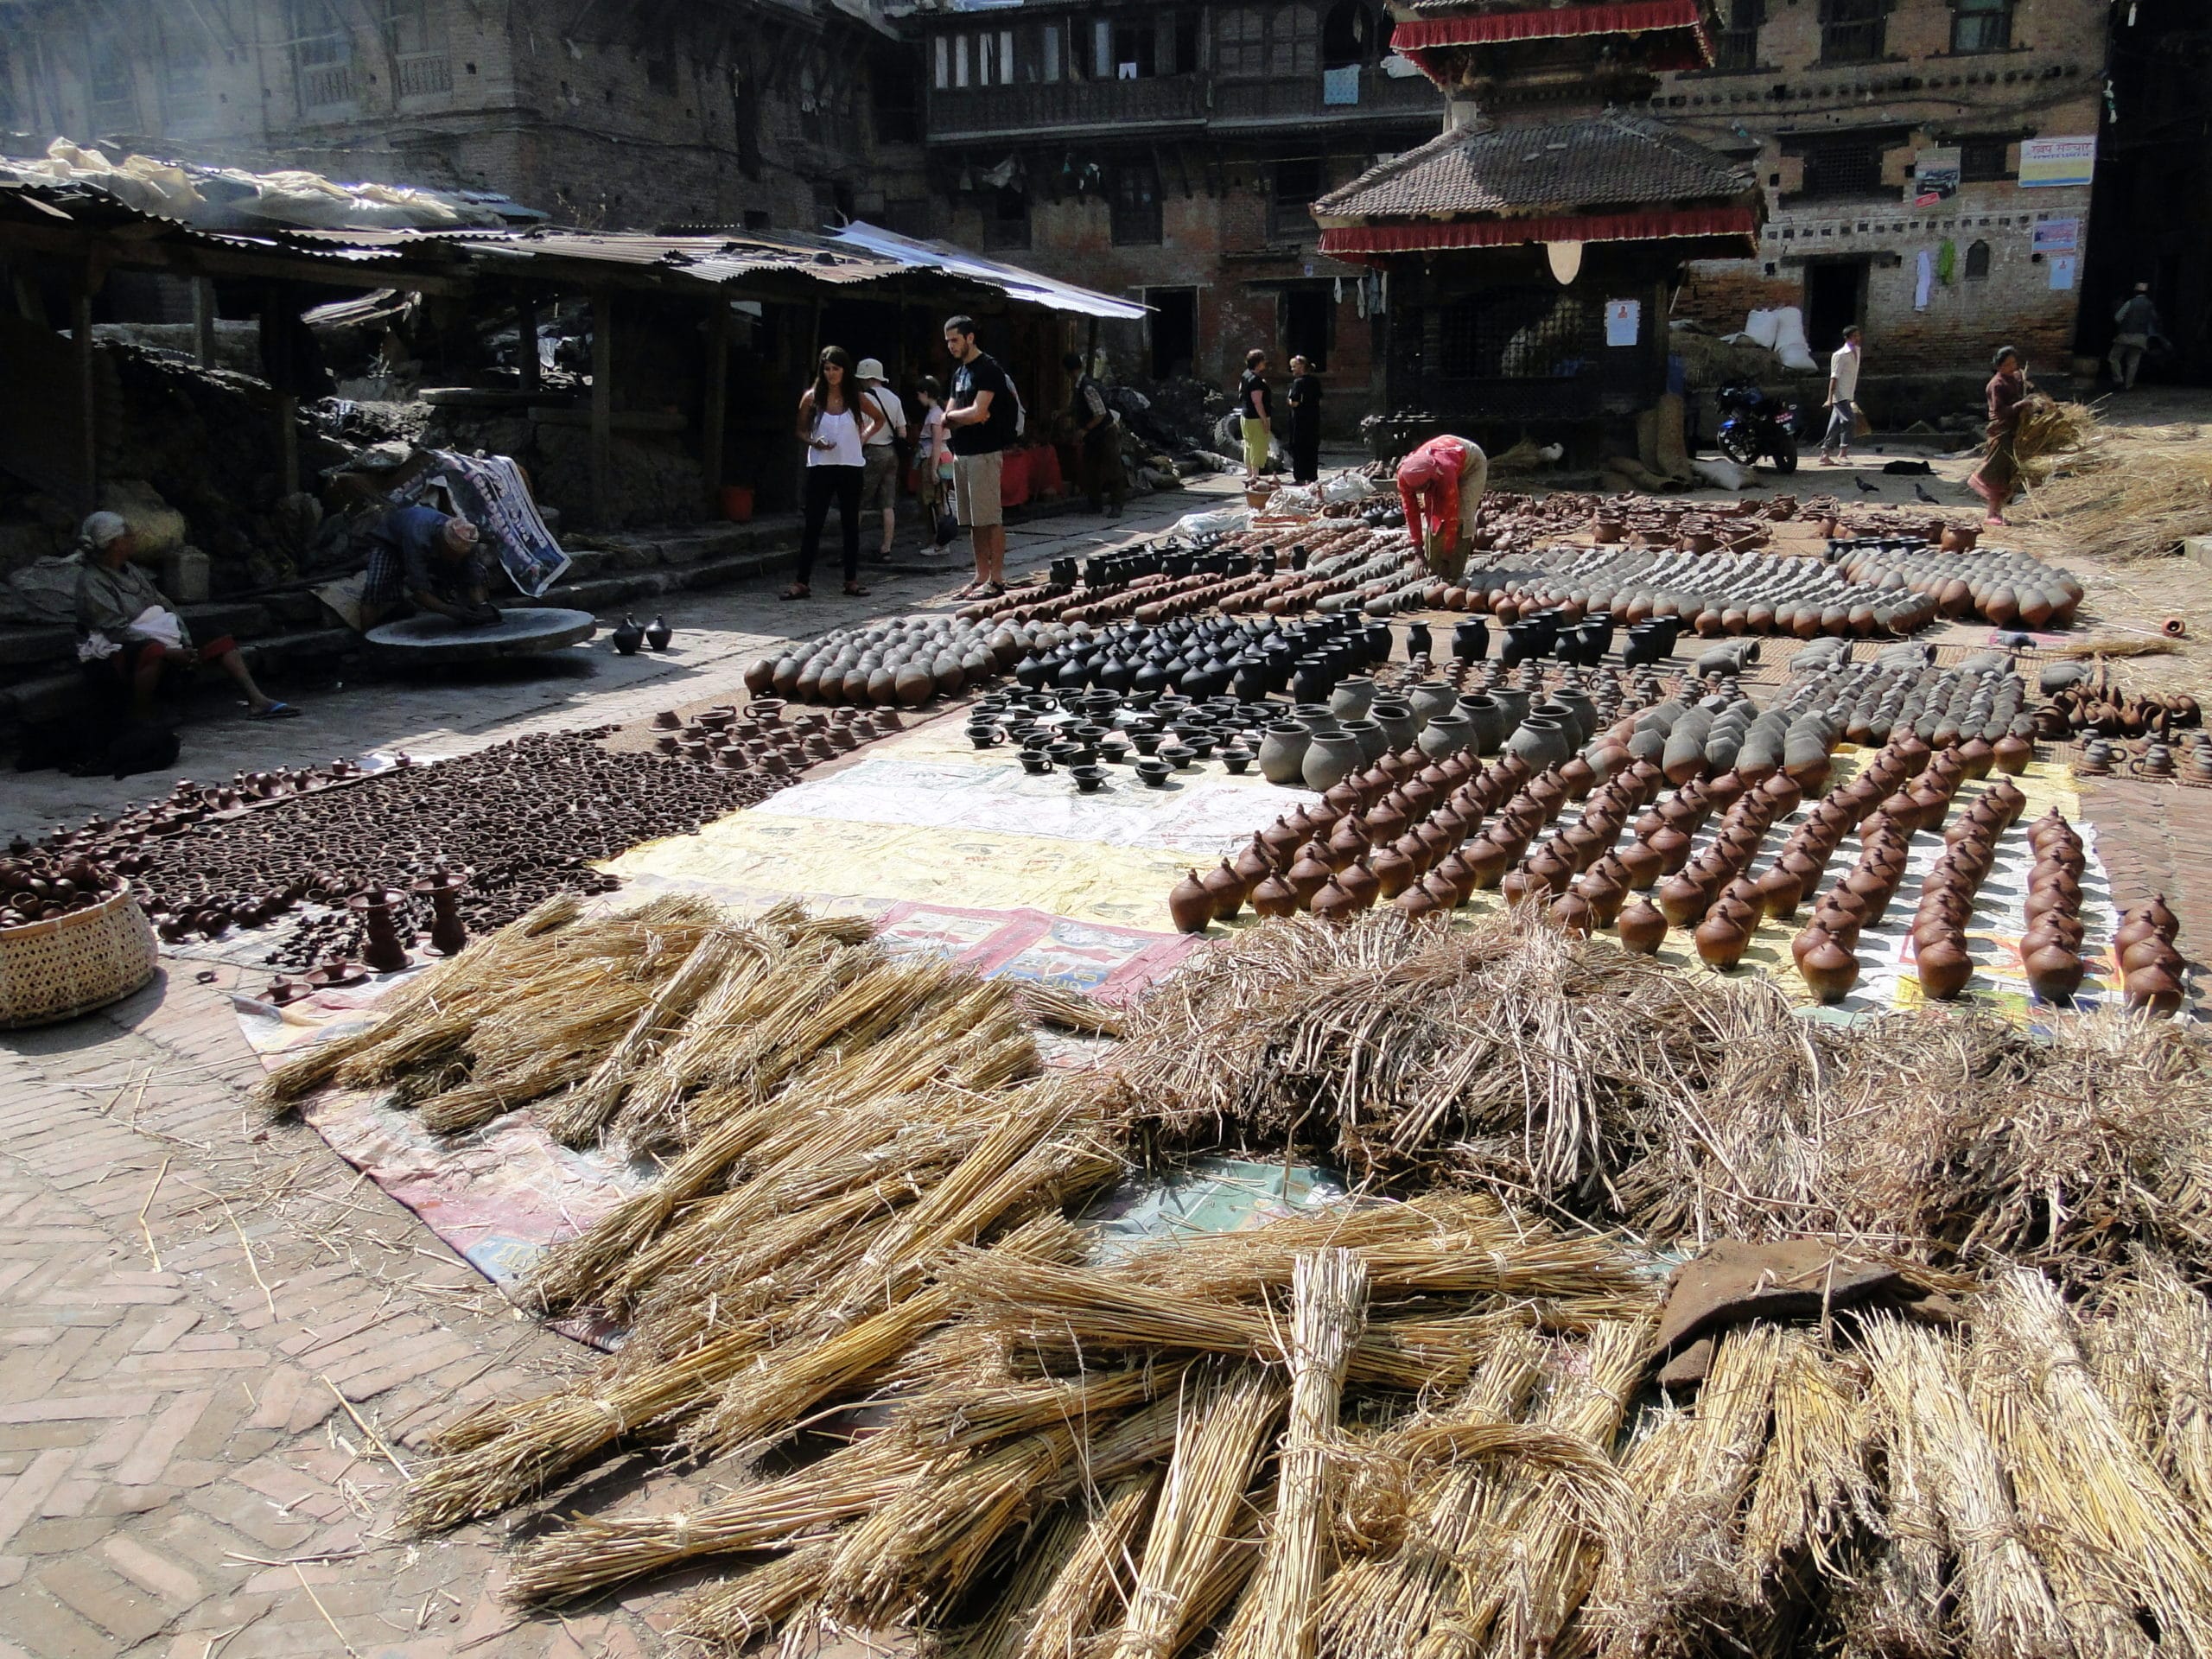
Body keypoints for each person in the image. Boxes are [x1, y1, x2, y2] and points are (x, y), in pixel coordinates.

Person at [74, 512, 299, 721]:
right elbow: (116, 630)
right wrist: (169, 650)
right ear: (114, 543)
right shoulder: (92, 581)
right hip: (115, 648)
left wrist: (183, 637)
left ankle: (257, 700)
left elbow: (162, 603)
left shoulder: (130, 570)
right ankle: (141, 718)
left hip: (156, 633)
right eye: (127, 536)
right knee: (152, 651)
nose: (133, 539)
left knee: (215, 636)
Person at [786, 345, 885, 601]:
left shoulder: (856, 397)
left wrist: (862, 438)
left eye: (836, 369)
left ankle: (851, 580)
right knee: (814, 524)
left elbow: (879, 419)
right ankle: (802, 581)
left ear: (845, 370)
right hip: (821, 465)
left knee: (850, 523)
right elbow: (799, 430)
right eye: (827, 369)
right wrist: (813, 442)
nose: (831, 374)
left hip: (850, 465)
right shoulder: (812, 396)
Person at [942, 315, 1017, 600]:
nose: (951, 346)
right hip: (962, 452)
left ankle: (996, 579)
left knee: (990, 517)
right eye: (948, 341)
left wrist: (958, 416)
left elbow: (977, 411)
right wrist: (959, 417)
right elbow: (952, 414)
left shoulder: (988, 369)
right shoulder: (959, 373)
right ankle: (980, 575)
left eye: (955, 340)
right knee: (974, 521)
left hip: (985, 453)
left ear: (970, 337)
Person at [361, 505, 498, 630]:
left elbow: (473, 576)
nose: (457, 559)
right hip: (390, 542)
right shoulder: (418, 538)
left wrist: (483, 606)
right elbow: (419, 590)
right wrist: (453, 611)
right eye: (453, 554)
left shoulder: (467, 539)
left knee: (477, 571)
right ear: (443, 544)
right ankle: (367, 641)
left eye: (459, 556)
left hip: (426, 543)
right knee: (376, 589)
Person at [1395, 435, 1489, 582]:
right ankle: (1434, 562)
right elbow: (1411, 514)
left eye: (1424, 488)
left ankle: (1454, 567)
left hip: (1471, 463)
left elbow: (1452, 516)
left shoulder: (1445, 473)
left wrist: (1446, 559)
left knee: (1462, 515)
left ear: (1431, 479)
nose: (1421, 492)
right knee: (1433, 514)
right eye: (1417, 490)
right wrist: (1418, 553)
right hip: (1443, 456)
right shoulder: (1404, 477)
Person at [1968, 345, 2033, 526]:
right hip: (2001, 431)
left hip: (2013, 431)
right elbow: (2000, 411)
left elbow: (2026, 388)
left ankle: (1997, 512)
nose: (2013, 367)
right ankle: (1991, 513)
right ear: (1998, 366)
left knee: (2006, 475)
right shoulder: (1996, 384)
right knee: (1995, 473)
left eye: (2014, 363)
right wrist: (2020, 405)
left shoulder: (2015, 378)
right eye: (2008, 364)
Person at [855, 357, 906, 563]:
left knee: (857, 503)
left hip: (871, 452)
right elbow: (902, 431)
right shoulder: (894, 399)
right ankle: (886, 548)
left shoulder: (862, 399)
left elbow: (858, 428)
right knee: (888, 503)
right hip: (891, 452)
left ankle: (851, 546)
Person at [1063, 352, 1124, 518]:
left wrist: (1084, 430)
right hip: (1094, 435)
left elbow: (1100, 414)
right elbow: (1080, 408)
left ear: (1069, 372)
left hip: (1104, 432)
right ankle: (1094, 504)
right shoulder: (1080, 387)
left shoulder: (1087, 387)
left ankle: (1116, 505)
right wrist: (1064, 413)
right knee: (1091, 469)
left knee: (1112, 469)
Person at [913, 375, 955, 549]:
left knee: (933, 501)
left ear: (925, 393)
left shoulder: (934, 415)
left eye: (919, 394)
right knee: (937, 500)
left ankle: (939, 543)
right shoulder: (938, 413)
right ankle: (937, 540)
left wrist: (932, 469)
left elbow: (937, 442)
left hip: (933, 457)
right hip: (938, 456)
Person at [1819, 325, 1863, 466]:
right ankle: (1843, 453)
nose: (1857, 338)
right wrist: (1829, 398)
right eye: (1854, 336)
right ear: (1847, 338)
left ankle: (1825, 454)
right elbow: (1834, 377)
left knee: (1835, 424)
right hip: (1839, 394)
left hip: (1848, 393)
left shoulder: (1857, 351)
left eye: (1858, 335)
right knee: (1850, 421)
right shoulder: (1839, 355)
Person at [2109, 283, 2162, 391]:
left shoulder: (2130, 303)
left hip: (2125, 335)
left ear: (2135, 292)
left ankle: (2118, 379)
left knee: (2113, 358)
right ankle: (2129, 385)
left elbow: (2118, 317)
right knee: (2133, 362)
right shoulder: (2150, 305)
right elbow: (2155, 319)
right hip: (2141, 338)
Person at [1285, 354, 1323, 485]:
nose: (1293, 370)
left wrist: (1289, 401)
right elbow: (1320, 400)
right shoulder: (1315, 381)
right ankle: (1312, 475)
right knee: (1312, 447)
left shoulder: (1298, 382)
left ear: (1301, 367)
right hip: (1313, 418)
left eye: (1294, 367)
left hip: (1300, 420)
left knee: (1299, 448)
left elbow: (1294, 402)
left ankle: (1300, 476)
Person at [1237, 349, 1274, 481]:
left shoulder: (1245, 375)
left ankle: (1249, 474)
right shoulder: (1256, 380)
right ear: (1258, 363)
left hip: (1245, 416)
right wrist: (1264, 420)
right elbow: (1257, 402)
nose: (1265, 363)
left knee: (1248, 445)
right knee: (1259, 446)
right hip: (1256, 418)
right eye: (1263, 361)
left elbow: (1240, 393)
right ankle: (1255, 475)